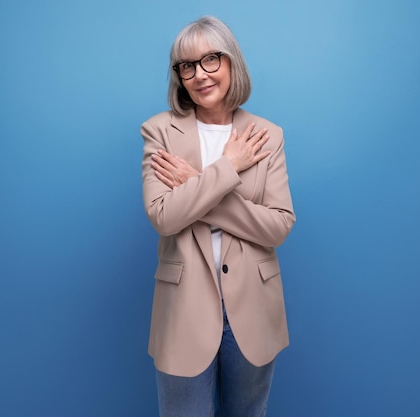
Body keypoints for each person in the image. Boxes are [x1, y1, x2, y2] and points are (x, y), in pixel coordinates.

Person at [140, 15, 295, 417]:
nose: (200, 74)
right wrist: (226, 168)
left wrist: (196, 183)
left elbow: (278, 225)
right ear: (179, 75)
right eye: (187, 65)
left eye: (211, 59)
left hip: (253, 305)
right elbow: (164, 216)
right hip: (184, 308)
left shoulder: (267, 134)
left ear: (231, 62)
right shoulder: (159, 131)